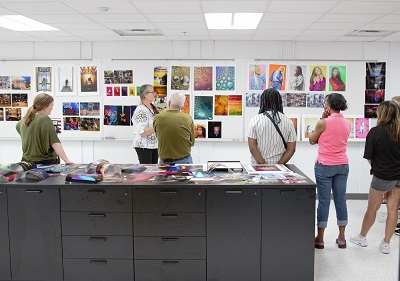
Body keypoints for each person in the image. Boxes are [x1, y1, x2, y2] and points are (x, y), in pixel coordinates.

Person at [350, 101, 400, 254]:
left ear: (382, 113)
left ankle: (362, 237)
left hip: (382, 176)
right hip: (399, 177)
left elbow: (369, 157)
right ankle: (386, 243)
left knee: (372, 208)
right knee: (393, 210)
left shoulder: (375, 132)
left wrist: (378, 168)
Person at [309, 93, 351, 249]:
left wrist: (321, 118)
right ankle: (341, 238)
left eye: (325, 102)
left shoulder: (323, 123)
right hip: (342, 165)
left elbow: (312, 140)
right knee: (341, 200)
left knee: (324, 201)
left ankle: (320, 239)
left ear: (329, 105)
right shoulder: (347, 123)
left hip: (324, 165)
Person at [16, 92, 73, 165]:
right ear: (45, 107)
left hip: (26, 163)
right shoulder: (45, 119)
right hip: (44, 163)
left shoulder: (22, 121)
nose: (52, 107)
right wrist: (67, 160)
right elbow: (55, 142)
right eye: (51, 105)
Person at [247, 88, 296, 164]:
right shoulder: (288, 122)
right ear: (279, 102)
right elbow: (291, 149)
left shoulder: (255, 120)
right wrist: (279, 165)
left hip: (257, 167)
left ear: (263, 102)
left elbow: (252, 147)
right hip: (280, 170)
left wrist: (264, 165)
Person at [153, 92, 195, 164]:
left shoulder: (157, 118)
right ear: (182, 106)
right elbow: (192, 142)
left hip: (165, 163)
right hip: (185, 162)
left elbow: (158, 136)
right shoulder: (188, 118)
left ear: (169, 103)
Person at [131, 84, 159, 164]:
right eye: (152, 92)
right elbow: (142, 131)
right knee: (147, 172)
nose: (155, 94)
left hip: (154, 145)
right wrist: (157, 126)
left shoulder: (151, 108)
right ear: (146, 95)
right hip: (144, 146)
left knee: (154, 171)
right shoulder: (140, 110)